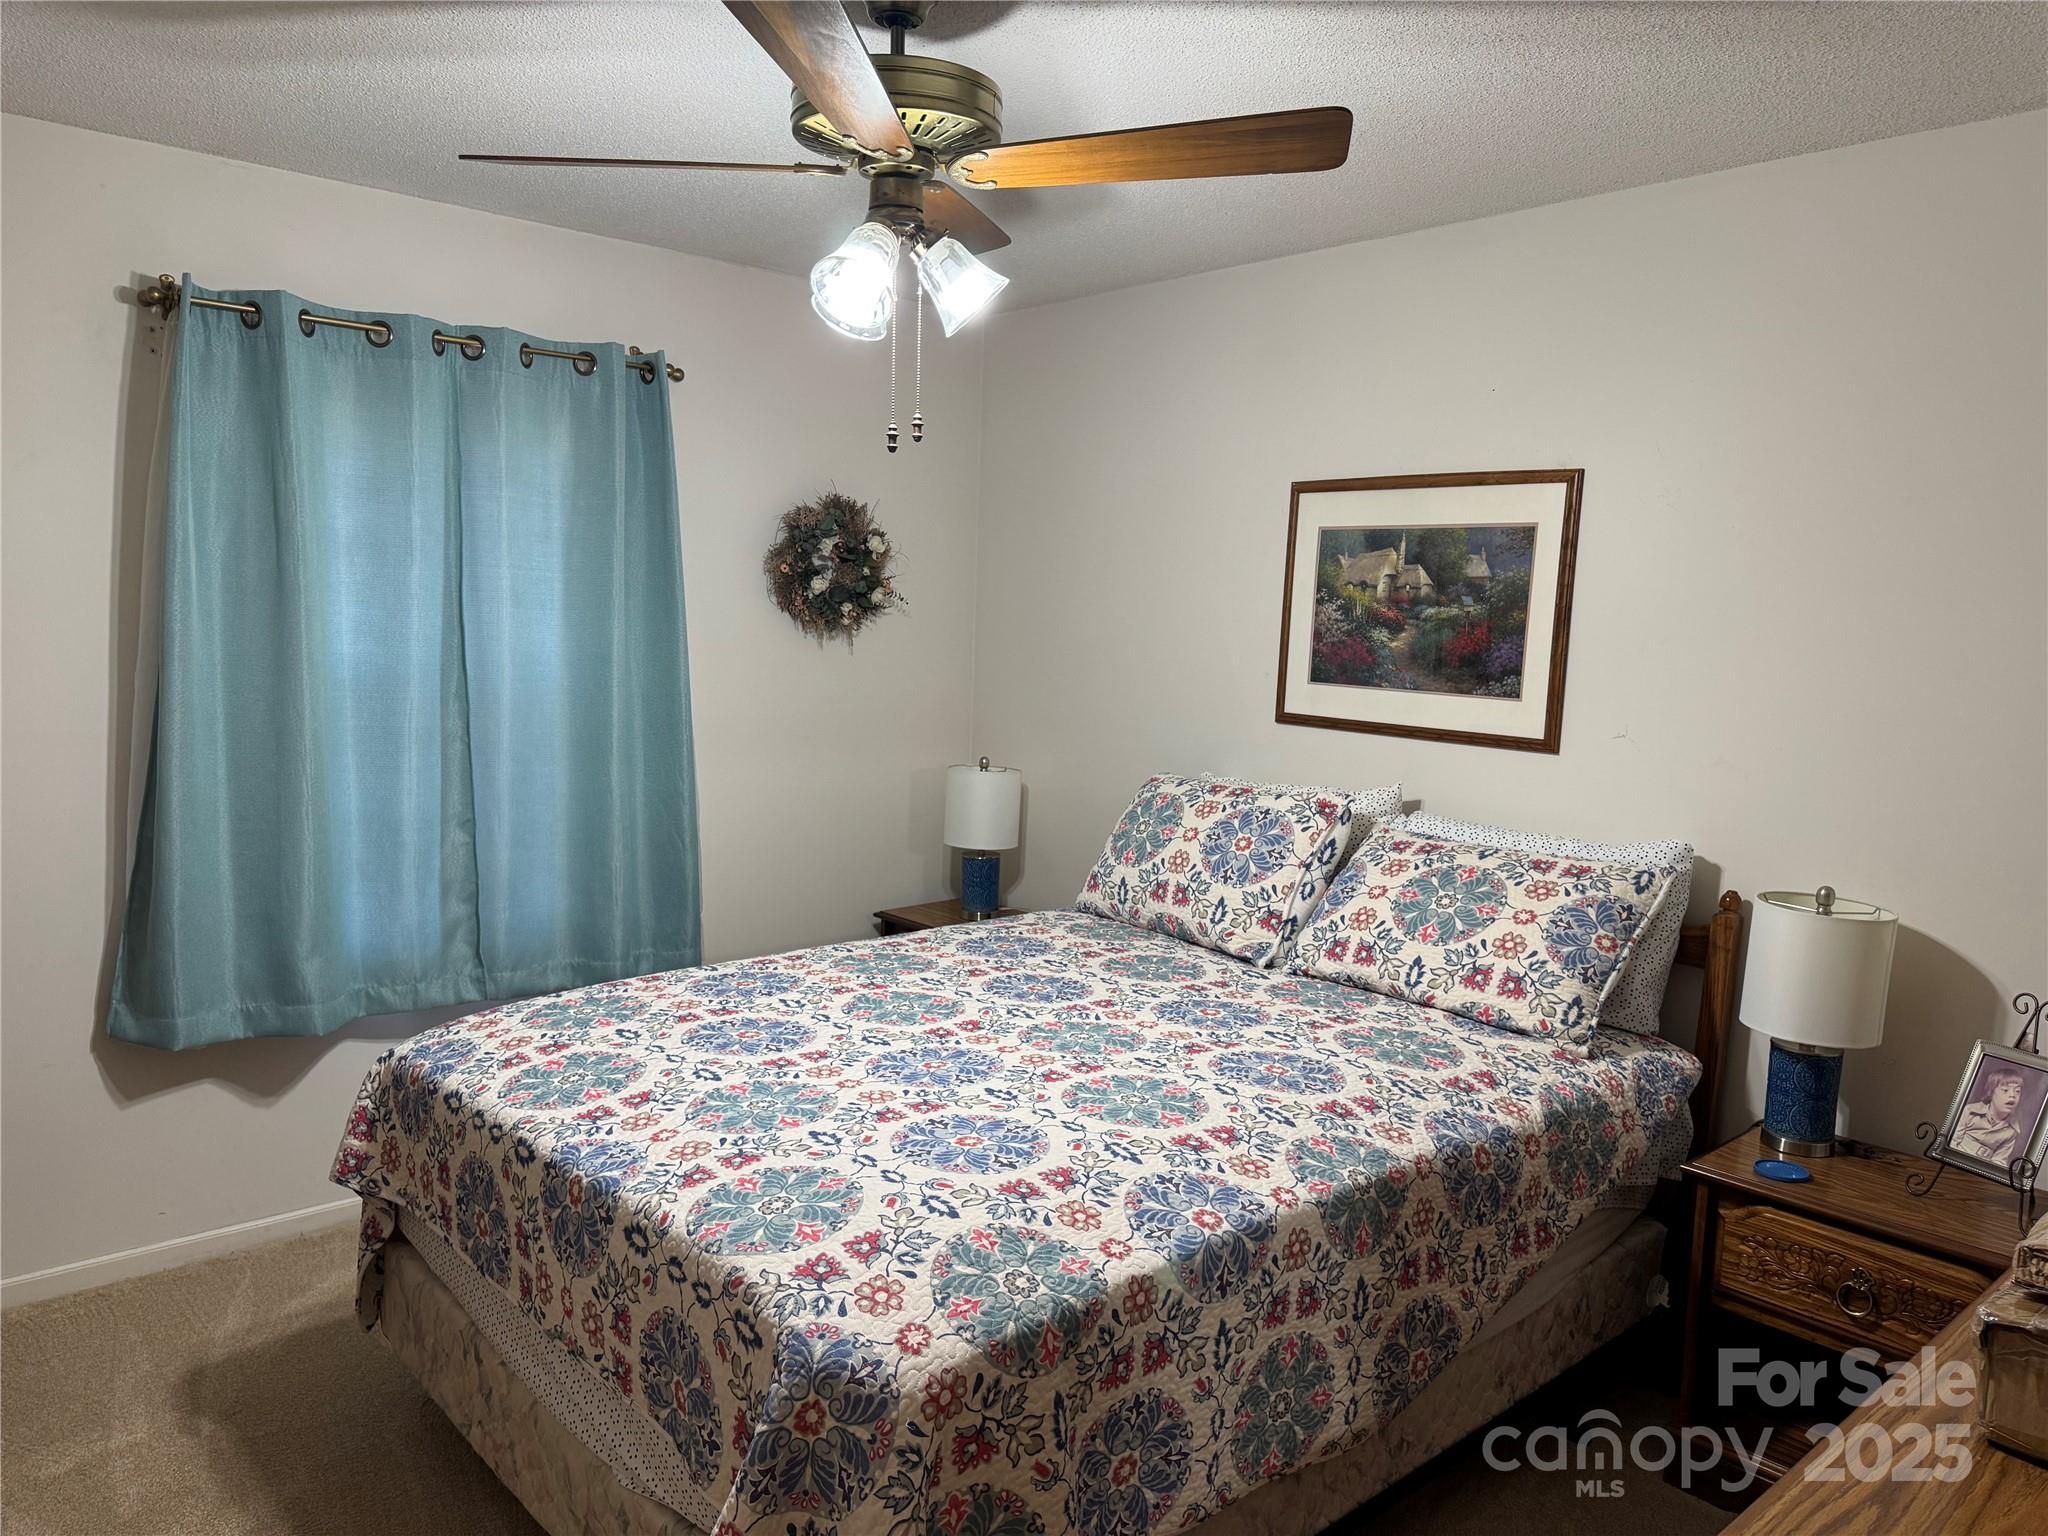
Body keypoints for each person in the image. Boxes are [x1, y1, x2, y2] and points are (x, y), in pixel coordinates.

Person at [1951, 1065, 2032, 1167]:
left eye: (2017, 1091)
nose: (2012, 1095)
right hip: (1955, 1160)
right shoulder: (1969, 1111)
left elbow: (1999, 1161)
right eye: (2005, 1090)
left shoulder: (2012, 1130)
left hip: (1980, 1169)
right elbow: (1952, 1142)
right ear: (1991, 1092)